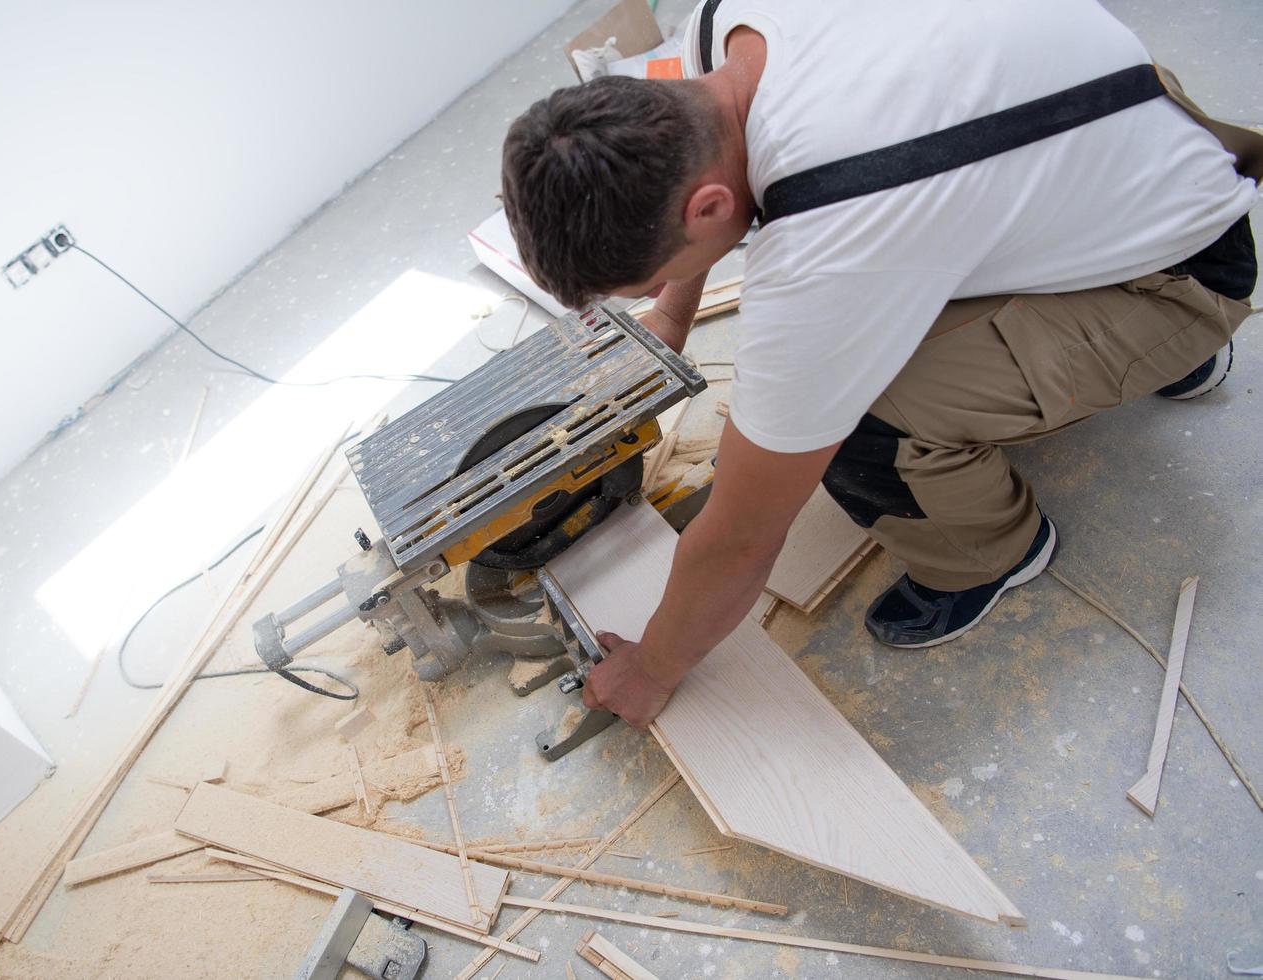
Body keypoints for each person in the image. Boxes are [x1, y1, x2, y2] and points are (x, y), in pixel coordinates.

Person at [498, 0, 1259, 727]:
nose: (662, 290)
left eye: (654, 281)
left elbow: (740, 537)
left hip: (1181, 273)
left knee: (855, 426)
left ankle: (989, 554)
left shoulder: (834, 224)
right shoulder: (717, 37)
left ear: (705, 208)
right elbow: (703, 192)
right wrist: (673, 315)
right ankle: (1140, 351)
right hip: (1126, 145)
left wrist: (653, 667)